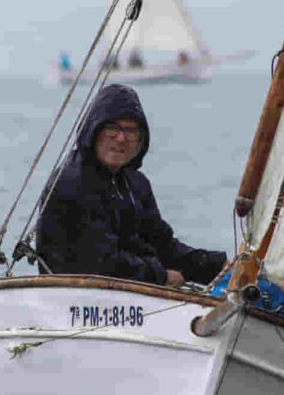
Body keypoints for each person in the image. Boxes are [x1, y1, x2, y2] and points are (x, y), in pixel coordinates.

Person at [36, 84, 226, 287]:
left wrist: (216, 266)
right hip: (74, 299)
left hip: (128, 299)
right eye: (112, 129)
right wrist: (161, 277)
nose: (121, 138)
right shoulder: (71, 182)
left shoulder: (135, 183)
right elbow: (98, 261)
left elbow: (162, 245)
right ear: (93, 130)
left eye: (131, 130)